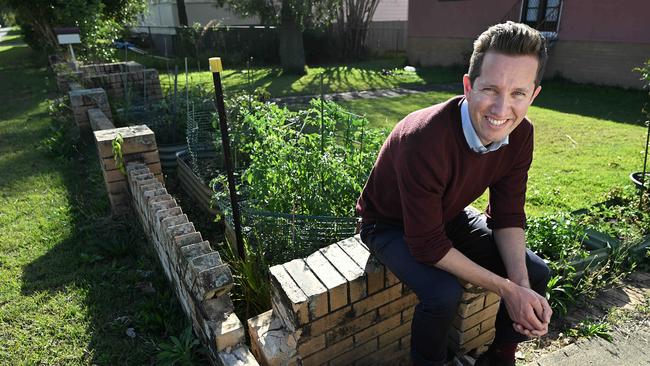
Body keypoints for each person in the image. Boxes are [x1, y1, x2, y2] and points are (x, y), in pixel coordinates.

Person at [357, 21, 552, 366]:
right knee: (443, 293)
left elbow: (507, 215)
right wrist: (507, 290)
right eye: (491, 89)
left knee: (535, 273)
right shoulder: (424, 137)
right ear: (468, 85)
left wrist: (521, 286)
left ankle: (500, 358)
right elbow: (426, 245)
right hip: (387, 224)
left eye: (518, 93)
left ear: (533, 95)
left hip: (446, 215)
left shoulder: (521, 135)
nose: (500, 110)